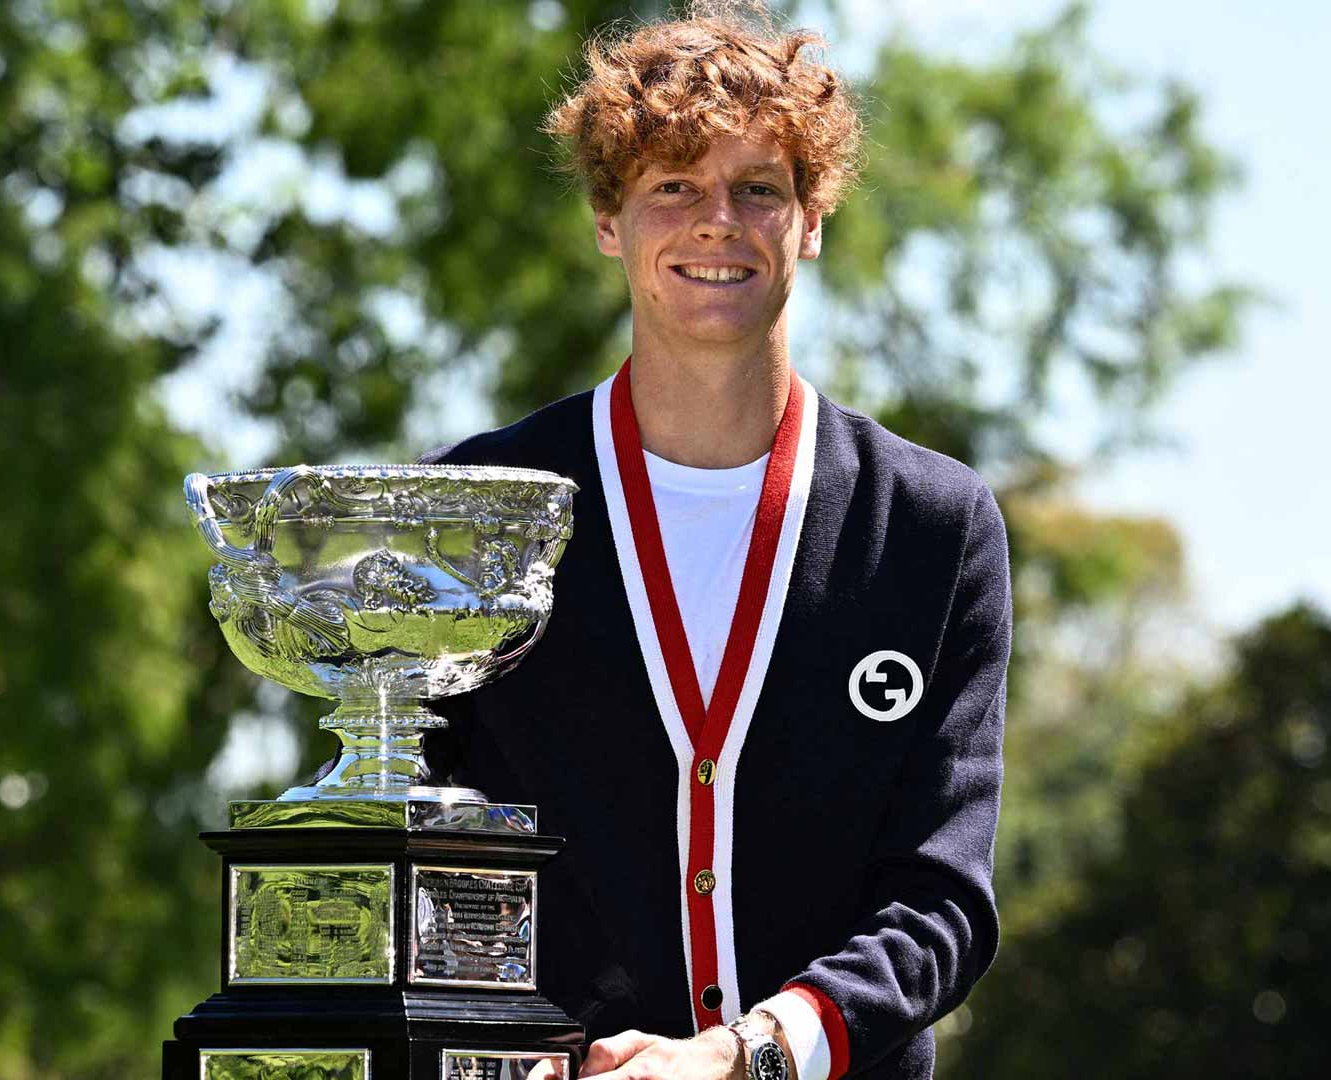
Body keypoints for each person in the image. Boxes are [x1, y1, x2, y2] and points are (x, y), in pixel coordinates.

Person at [422, 4, 1011, 1077]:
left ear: (814, 218)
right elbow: (428, 837)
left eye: (759, 190)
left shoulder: (933, 526)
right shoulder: (481, 511)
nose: (717, 223)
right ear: (610, 221)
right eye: (674, 187)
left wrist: (752, 1055)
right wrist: (504, 1045)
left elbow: (942, 902)